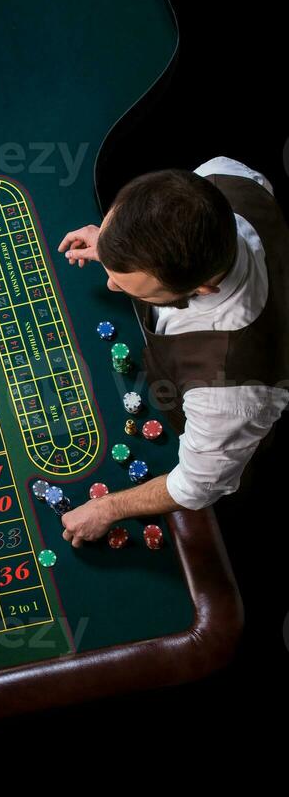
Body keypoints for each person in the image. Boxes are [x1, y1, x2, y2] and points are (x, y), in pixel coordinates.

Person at [57, 157, 289, 547]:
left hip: (236, 448)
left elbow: (198, 486)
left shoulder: (228, 392)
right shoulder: (223, 176)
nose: (112, 285)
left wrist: (108, 508)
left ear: (201, 289)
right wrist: (122, 248)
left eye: (131, 286)